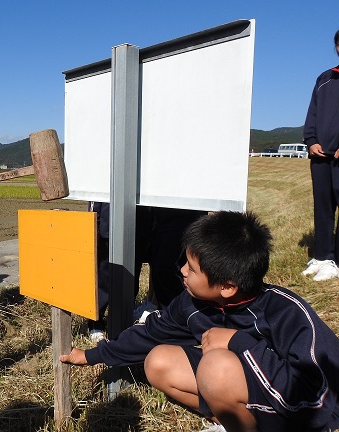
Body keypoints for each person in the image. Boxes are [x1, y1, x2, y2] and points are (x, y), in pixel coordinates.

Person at [61, 211, 339, 432]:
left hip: (305, 413)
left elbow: (314, 396)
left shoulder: (286, 312)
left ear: (227, 287)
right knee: (158, 361)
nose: (182, 271)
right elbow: (150, 334)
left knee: (216, 366)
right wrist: (90, 356)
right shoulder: (191, 303)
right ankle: (232, 421)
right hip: (248, 393)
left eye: (192, 269)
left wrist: (238, 342)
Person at [87, 202, 204, 342]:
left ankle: (128, 319)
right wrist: (96, 218)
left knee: (135, 271)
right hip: (113, 215)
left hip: (147, 216)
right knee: (106, 271)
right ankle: (96, 321)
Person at [302, 29, 339, 282]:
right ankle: (323, 256)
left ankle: (336, 261)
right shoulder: (324, 78)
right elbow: (312, 113)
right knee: (323, 208)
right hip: (321, 156)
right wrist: (311, 141)